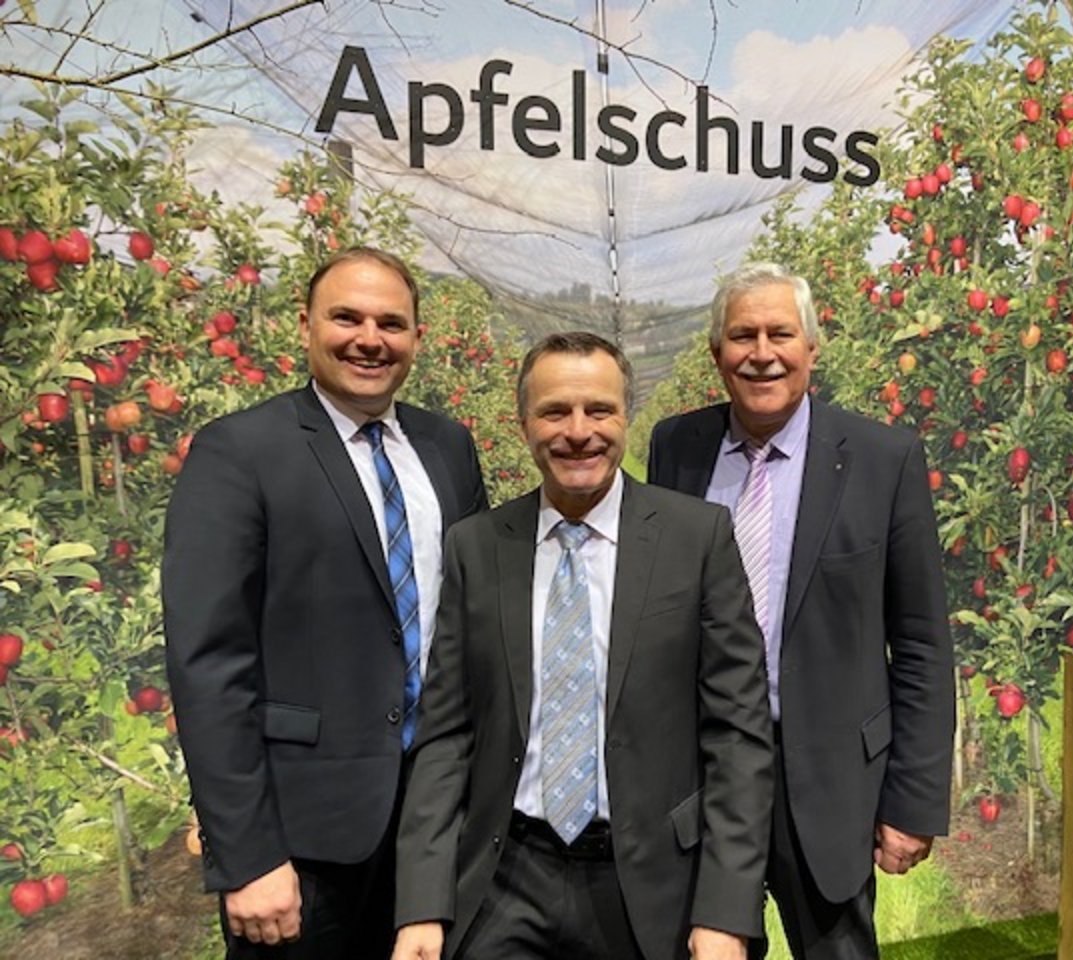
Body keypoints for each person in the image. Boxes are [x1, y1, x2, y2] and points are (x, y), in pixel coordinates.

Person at [391, 332, 774, 960]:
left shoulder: (696, 538)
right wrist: (422, 908)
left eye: (599, 410)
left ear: (626, 417)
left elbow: (738, 735)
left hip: (652, 884)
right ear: (523, 423)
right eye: (554, 411)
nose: (578, 431)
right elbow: (445, 739)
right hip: (504, 879)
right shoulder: (476, 546)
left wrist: (726, 913)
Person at [163, 247, 488, 958]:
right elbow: (208, 662)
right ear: (306, 325)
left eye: (390, 323)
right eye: (347, 318)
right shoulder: (240, 451)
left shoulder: (448, 448)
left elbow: (473, 618)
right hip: (301, 845)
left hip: (437, 824)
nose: (369, 339)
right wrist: (247, 855)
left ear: (417, 338)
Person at [647, 262, 954, 960]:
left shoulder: (882, 458)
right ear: (717, 353)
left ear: (812, 348)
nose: (762, 353)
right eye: (742, 336)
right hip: (704, 772)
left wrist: (912, 801)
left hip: (829, 779)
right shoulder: (677, 448)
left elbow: (921, 643)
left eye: (780, 333)